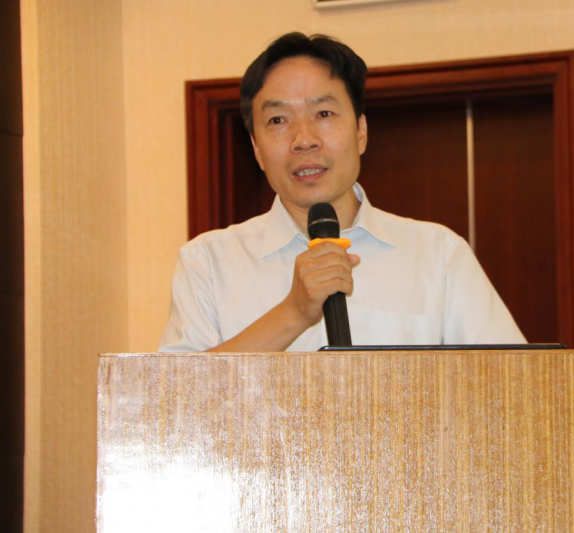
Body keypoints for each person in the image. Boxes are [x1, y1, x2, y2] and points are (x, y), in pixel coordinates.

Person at [159, 32, 525, 352]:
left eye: (323, 114)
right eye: (278, 120)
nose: (304, 139)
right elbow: (174, 399)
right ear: (256, 149)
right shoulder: (207, 263)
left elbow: (515, 386)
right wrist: (293, 312)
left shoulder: (438, 255)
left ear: (361, 132)